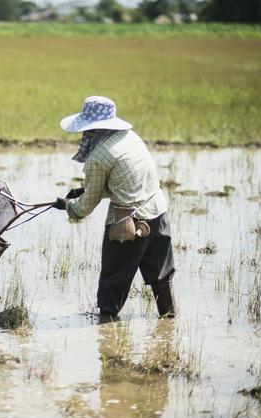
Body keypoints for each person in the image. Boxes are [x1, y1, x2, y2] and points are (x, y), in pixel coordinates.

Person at [52, 96, 176, 319]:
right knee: (161, 277)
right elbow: (126, 180)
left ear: (91, 128)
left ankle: (108, 345)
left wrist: (69, 207)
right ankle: (169, 323)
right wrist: (85, 188)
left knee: (112, 284)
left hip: (127, 224)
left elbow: (86, 207)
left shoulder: (98, 157)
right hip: (158, 214)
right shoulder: (131, 137)